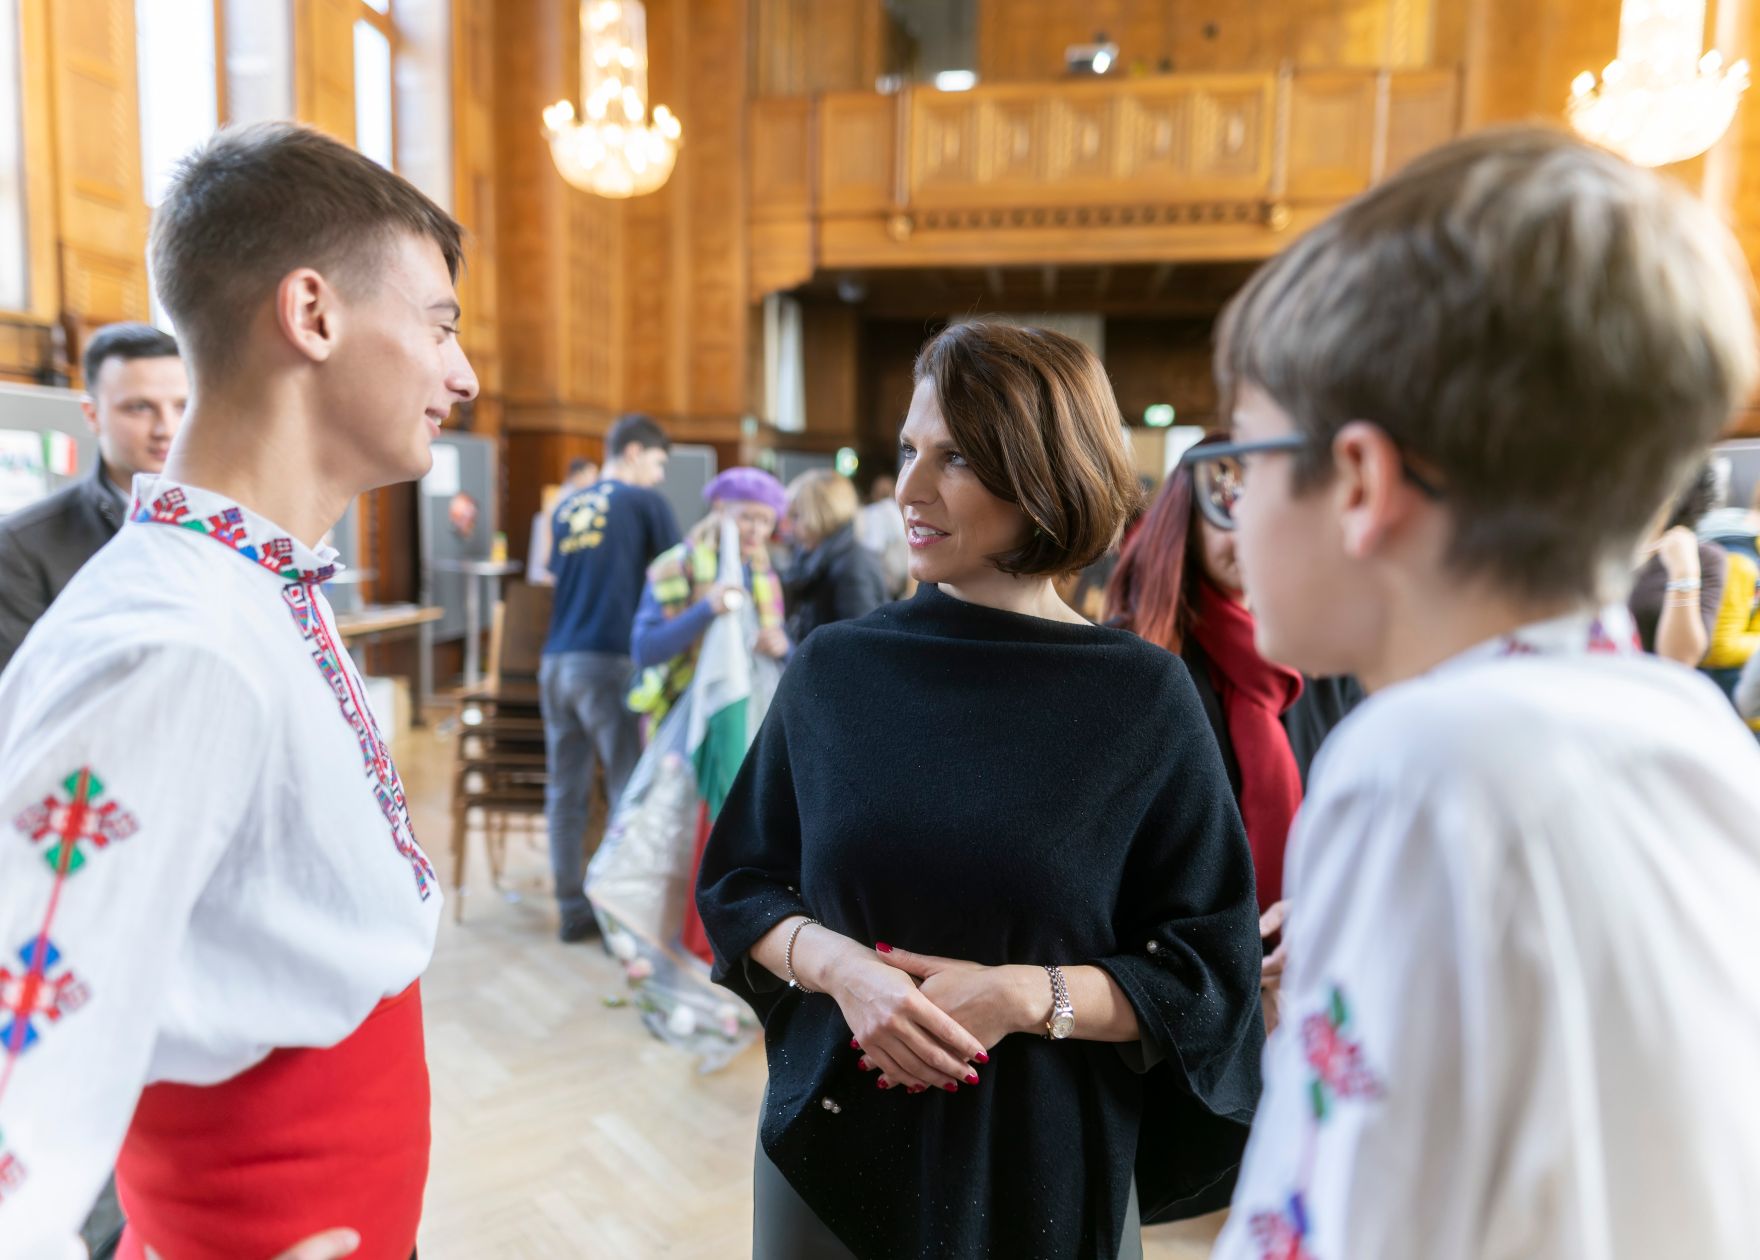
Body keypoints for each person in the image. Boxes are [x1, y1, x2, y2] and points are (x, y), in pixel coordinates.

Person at [1202, 127, 1760, 1260]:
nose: (1234, 506)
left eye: (1242, 458)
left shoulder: (1419, 762)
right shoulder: (1676, 721)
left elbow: (1337, 1224)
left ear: (1357, 480)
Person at [0, 121, 477, 1260]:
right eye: (439, 323)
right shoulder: (174, 644)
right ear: (311, 314)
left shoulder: (256, 585)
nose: (460, 372)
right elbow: (22, 1067)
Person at [695, 322, 1264, 1259]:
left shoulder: (1138, 696)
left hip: (1039, 1163)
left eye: (954, 457)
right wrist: (845, 972)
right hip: (831, 1152)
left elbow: (1207, 971)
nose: (910, 491)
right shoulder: (836, 669)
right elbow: (740, 885)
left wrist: (1026, 996)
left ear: (1044, 470)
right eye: (910, 450)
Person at [1104, 436, 1362, 1032]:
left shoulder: (1329, 660)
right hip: (1179, 998)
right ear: (1184, 521)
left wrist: (1319, 912)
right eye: (1225, 505)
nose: (1245, 532)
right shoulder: (1136, 662)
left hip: (1311, 986)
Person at [540, 414, 678, 943]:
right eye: (659, 464)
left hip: (556, 661)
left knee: (566, 792)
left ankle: (572, 909)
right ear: (636, 452)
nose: (660, 477)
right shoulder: (643, 503)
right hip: (607, 658)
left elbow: (556, 577)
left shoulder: (567, 505)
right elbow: (677, 572)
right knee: (628, 788)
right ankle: (622, 917)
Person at [0, 323, 187, 674]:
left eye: (183, 406)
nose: (167, 428)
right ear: (92, 415)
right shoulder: (23, 546)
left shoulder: (236, 524)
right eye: (139, 407)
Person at [628, 467, 791, 725]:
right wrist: (705, 609)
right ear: (720, 509)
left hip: (747, 711)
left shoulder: (765, 575)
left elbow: (782, 650)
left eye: (766, 521)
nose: (756, 530)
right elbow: (644, 650)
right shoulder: (675, 565)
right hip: (680, 710)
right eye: (747, 517)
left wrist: (784, 647)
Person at [1630, 462, 1726, 665]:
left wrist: (1684, 573)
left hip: (1655, 689)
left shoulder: (1702, 557)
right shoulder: (1592, 551)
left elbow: (1681, 659)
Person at [781, 469, 889, 645]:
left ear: (820, 514)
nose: (791, 527)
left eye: (797, 516)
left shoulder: (852, 565)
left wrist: (788, 649)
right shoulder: (821, 557)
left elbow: (861, 644)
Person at [526, 456, 600, 585]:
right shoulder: (560, 501)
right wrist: (548, 566)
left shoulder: (585, 499)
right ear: (577, 475)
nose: (595, 480)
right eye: (592, 474)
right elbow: (548, 539)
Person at [853, 471, 909, 597]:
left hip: (884, 583)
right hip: (905, 581)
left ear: (874, 493)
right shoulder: (904, 513)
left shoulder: (874, 513)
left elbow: (873, 548)